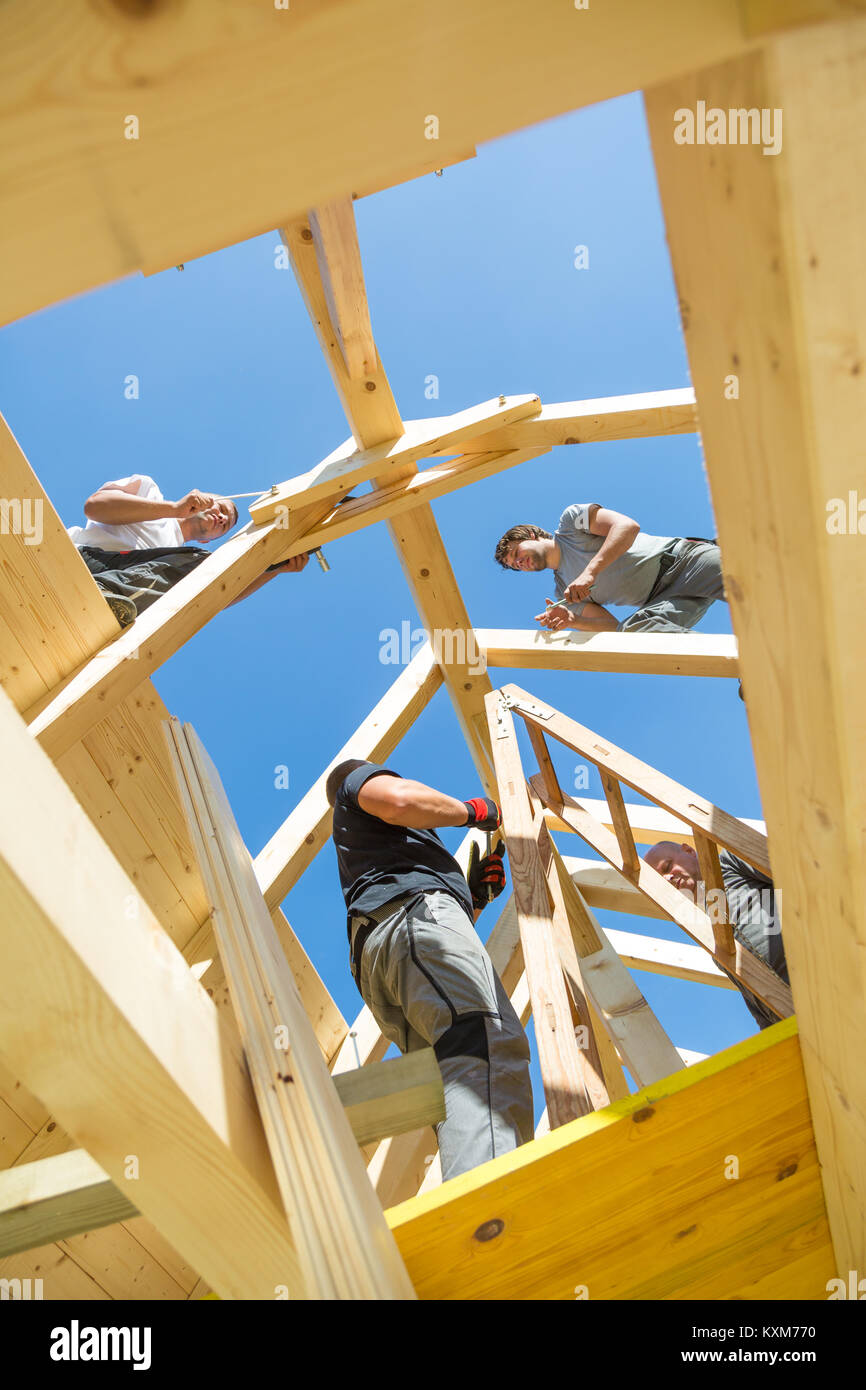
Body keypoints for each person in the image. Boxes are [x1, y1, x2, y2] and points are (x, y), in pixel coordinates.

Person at [326, 758, 533, 1181]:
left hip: (388, 959)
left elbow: (426, 960)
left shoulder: (382, 852)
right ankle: (496, 1204)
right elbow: (399, 801)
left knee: (455, 1073)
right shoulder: (354, 781)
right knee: (483, 1041)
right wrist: (475, 811)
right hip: (410, 923)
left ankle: (472, 1199)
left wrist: (473, 898)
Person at [67, 474, 308, 627]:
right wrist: (174, 509)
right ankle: (105, 594)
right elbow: (94, 507)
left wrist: (274, 569)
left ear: (209, 540)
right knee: (198, 563)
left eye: (225, 524)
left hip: (122, 598)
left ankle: (112, 601)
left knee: (206, 569)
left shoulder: (184, 563)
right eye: (221, 508)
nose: (223, 517)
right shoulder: (148, 490)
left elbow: (219, 595)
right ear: (203, 498)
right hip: (85, 562)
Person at [494, 502, 725, 635]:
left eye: (516, 553)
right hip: (663, 600)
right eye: (515, 565)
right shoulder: (563, 594)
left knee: (746, 582)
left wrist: (590, 573)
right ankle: (746, 663)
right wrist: (573, 620)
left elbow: (627, 526)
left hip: (685, 561)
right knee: (632, 635)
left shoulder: (571, 523)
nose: (519, 563)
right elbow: (612, 628)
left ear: (531, 536)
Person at [643, 839, 788, 1031]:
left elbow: (792, 871)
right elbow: (753, 997)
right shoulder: (707, 933)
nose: (668, 878)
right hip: (793, 1015)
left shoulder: (730, 863)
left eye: (668, 867)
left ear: (689, 851)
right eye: (661, 881)